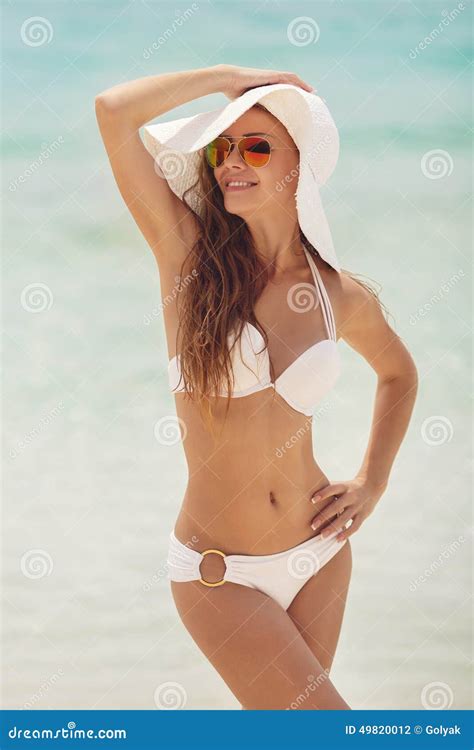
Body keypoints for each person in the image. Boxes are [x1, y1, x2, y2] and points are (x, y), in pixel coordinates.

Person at [95, 64, 418, 710]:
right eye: (223, 147)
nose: (233, 162)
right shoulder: (187, 261)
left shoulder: (337, 295)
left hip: (320, 557)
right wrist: (231, 78)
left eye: (258, 146)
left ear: (298, 167)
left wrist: (371, 482)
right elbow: (112, 112)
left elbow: (399, 374)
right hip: (220, 574)